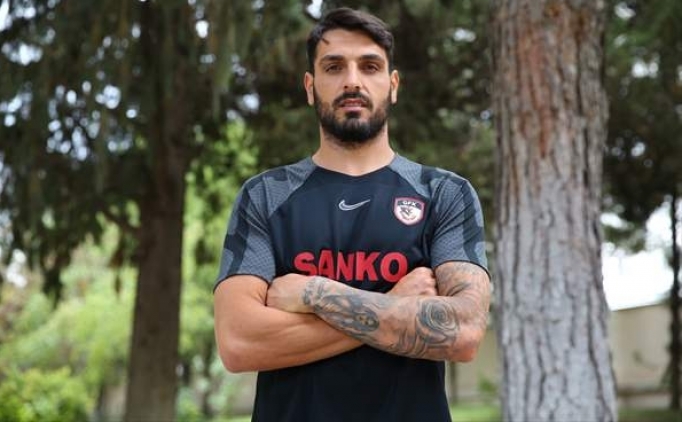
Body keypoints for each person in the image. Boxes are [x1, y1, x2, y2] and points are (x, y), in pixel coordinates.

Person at [213, 7, 491, 422]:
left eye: (370, 66)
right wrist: (394, 305)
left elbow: (463, 333)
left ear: (392, 85)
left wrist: (313, 294)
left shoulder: (445, 194)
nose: (352, 81)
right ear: (310, 87)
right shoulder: (265, 196)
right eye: (333, 67)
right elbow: (239, 342)